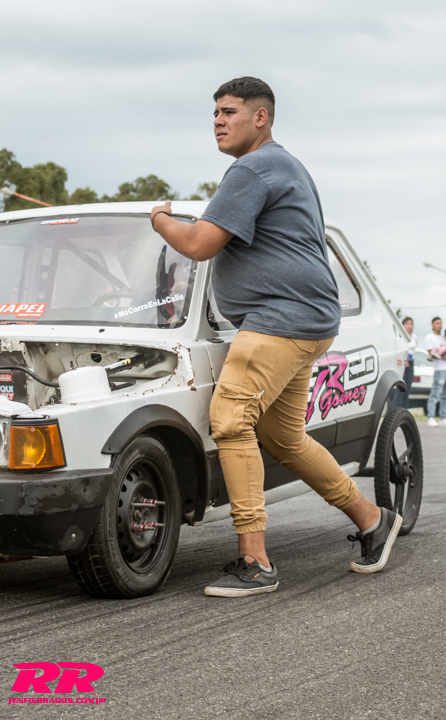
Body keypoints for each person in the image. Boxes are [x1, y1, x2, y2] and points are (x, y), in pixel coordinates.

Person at [147, 76, 399, 598]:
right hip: (307, 319)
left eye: (229, 111)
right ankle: (373, 520)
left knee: (230, 420)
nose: (218, 121)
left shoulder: (252, 168)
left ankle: (255, 561)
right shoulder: (283, 164)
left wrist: (160, 219)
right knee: (283, 437)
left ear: (260, 117)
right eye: (214, 113)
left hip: (279, 319)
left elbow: (198, 244)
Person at [421, 317, 446, 427]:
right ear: (432, 325)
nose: (439, 325)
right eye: (437, 323)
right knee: (435, 393)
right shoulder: (429, 338)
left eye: (440, 323)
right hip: (439, 369)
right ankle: (431, 417)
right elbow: (432, 354)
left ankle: (443, 417)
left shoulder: (445, 336)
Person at [393, 317, 416, 409]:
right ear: (403, 325)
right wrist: (403, 361)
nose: (409, 326)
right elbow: (397, 350)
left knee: (407, 389)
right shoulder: (400, 336)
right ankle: (395, 410)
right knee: (400, 389)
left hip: (411, 362)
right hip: (402, 362)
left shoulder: (415, 337)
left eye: (411, 324)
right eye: (407, 324)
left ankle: (404, 410)